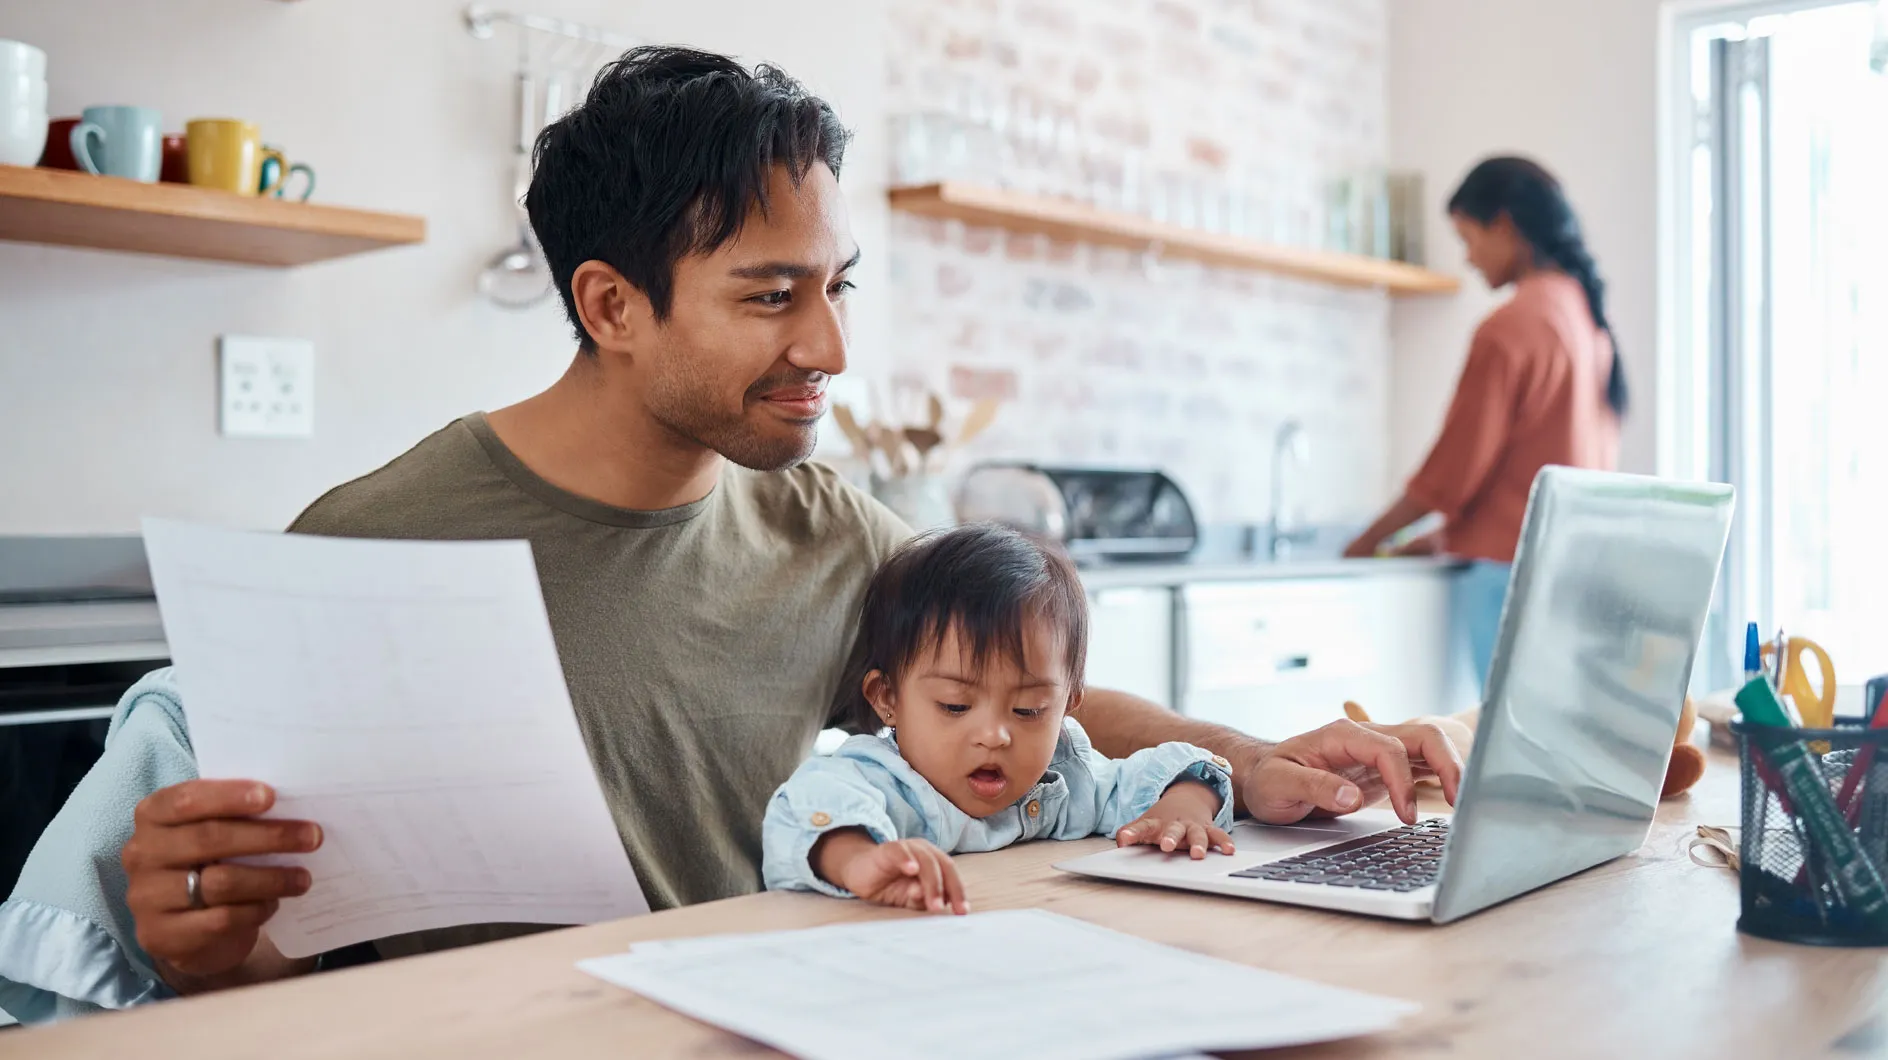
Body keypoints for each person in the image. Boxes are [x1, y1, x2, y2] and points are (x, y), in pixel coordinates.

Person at [0, 46, 1464, 1022]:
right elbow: (258, 970)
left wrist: (1252, 758)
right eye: (772, 296)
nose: (829, 341)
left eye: (840, 286)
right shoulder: (364, 548)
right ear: (612, 306)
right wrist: (202, 948)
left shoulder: (826, 525)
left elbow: (1025, 687)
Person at [764, 525, 1236, 911]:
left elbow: (1172, 770)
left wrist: (1184, 808)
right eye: (955, 706)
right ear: (886, 698)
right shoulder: (880, 781)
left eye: (1029, 710)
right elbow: (806, 809)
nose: (994, 735)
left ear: (1069, 702)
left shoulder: (1061, 781)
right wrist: (861, 861)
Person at [1344, 156, 1623, 689]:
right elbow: (1538, 468)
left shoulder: (1511, 327)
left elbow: (1451, 475)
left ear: (1505, 225)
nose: (1468, 259)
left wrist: (1364, 544)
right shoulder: (1587, 320)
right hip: (1573, 569)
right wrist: (1448, 535)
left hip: (1508, 577)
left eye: (1468, 237)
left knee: (1496, 747)